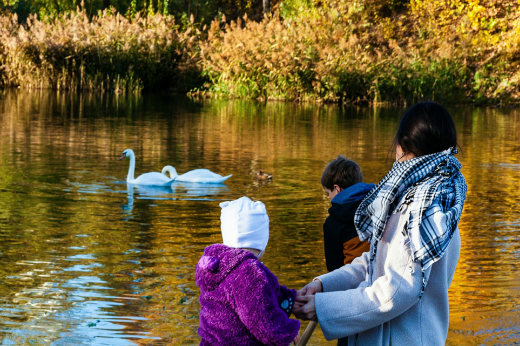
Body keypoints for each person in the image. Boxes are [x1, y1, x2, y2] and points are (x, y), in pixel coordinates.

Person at [293, 102, 467, 345]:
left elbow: (396, 290)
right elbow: (376, 264)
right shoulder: (440, 200)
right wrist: (324, 285)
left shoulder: (421, 210)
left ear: (402, 146)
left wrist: (323, 308)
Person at [195, 196, 301, 346]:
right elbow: (261, 319)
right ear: (262, 241)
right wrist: (285, 330)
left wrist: (287, 299)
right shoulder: (248, 271)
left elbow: (261, 295)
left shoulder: (220, 266)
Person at [321, 155, 375, 272]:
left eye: (328, 193)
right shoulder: (380, 205)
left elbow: (334, 270)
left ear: (337, 189)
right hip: (383, 277)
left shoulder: (333, 223)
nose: (330, 198)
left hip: (354, 284)